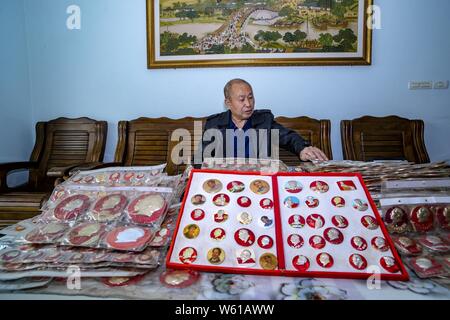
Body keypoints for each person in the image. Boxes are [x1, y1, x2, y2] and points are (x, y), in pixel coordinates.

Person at [195, 79, 328, 163]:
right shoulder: (215, 124)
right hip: (227, 183)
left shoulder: (264, 121)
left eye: (251, 97)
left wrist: (303, 148)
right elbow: (200, 158)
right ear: (228, 103)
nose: (248, 104)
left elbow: (289, 137)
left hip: (259, 182)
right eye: (241, 99)